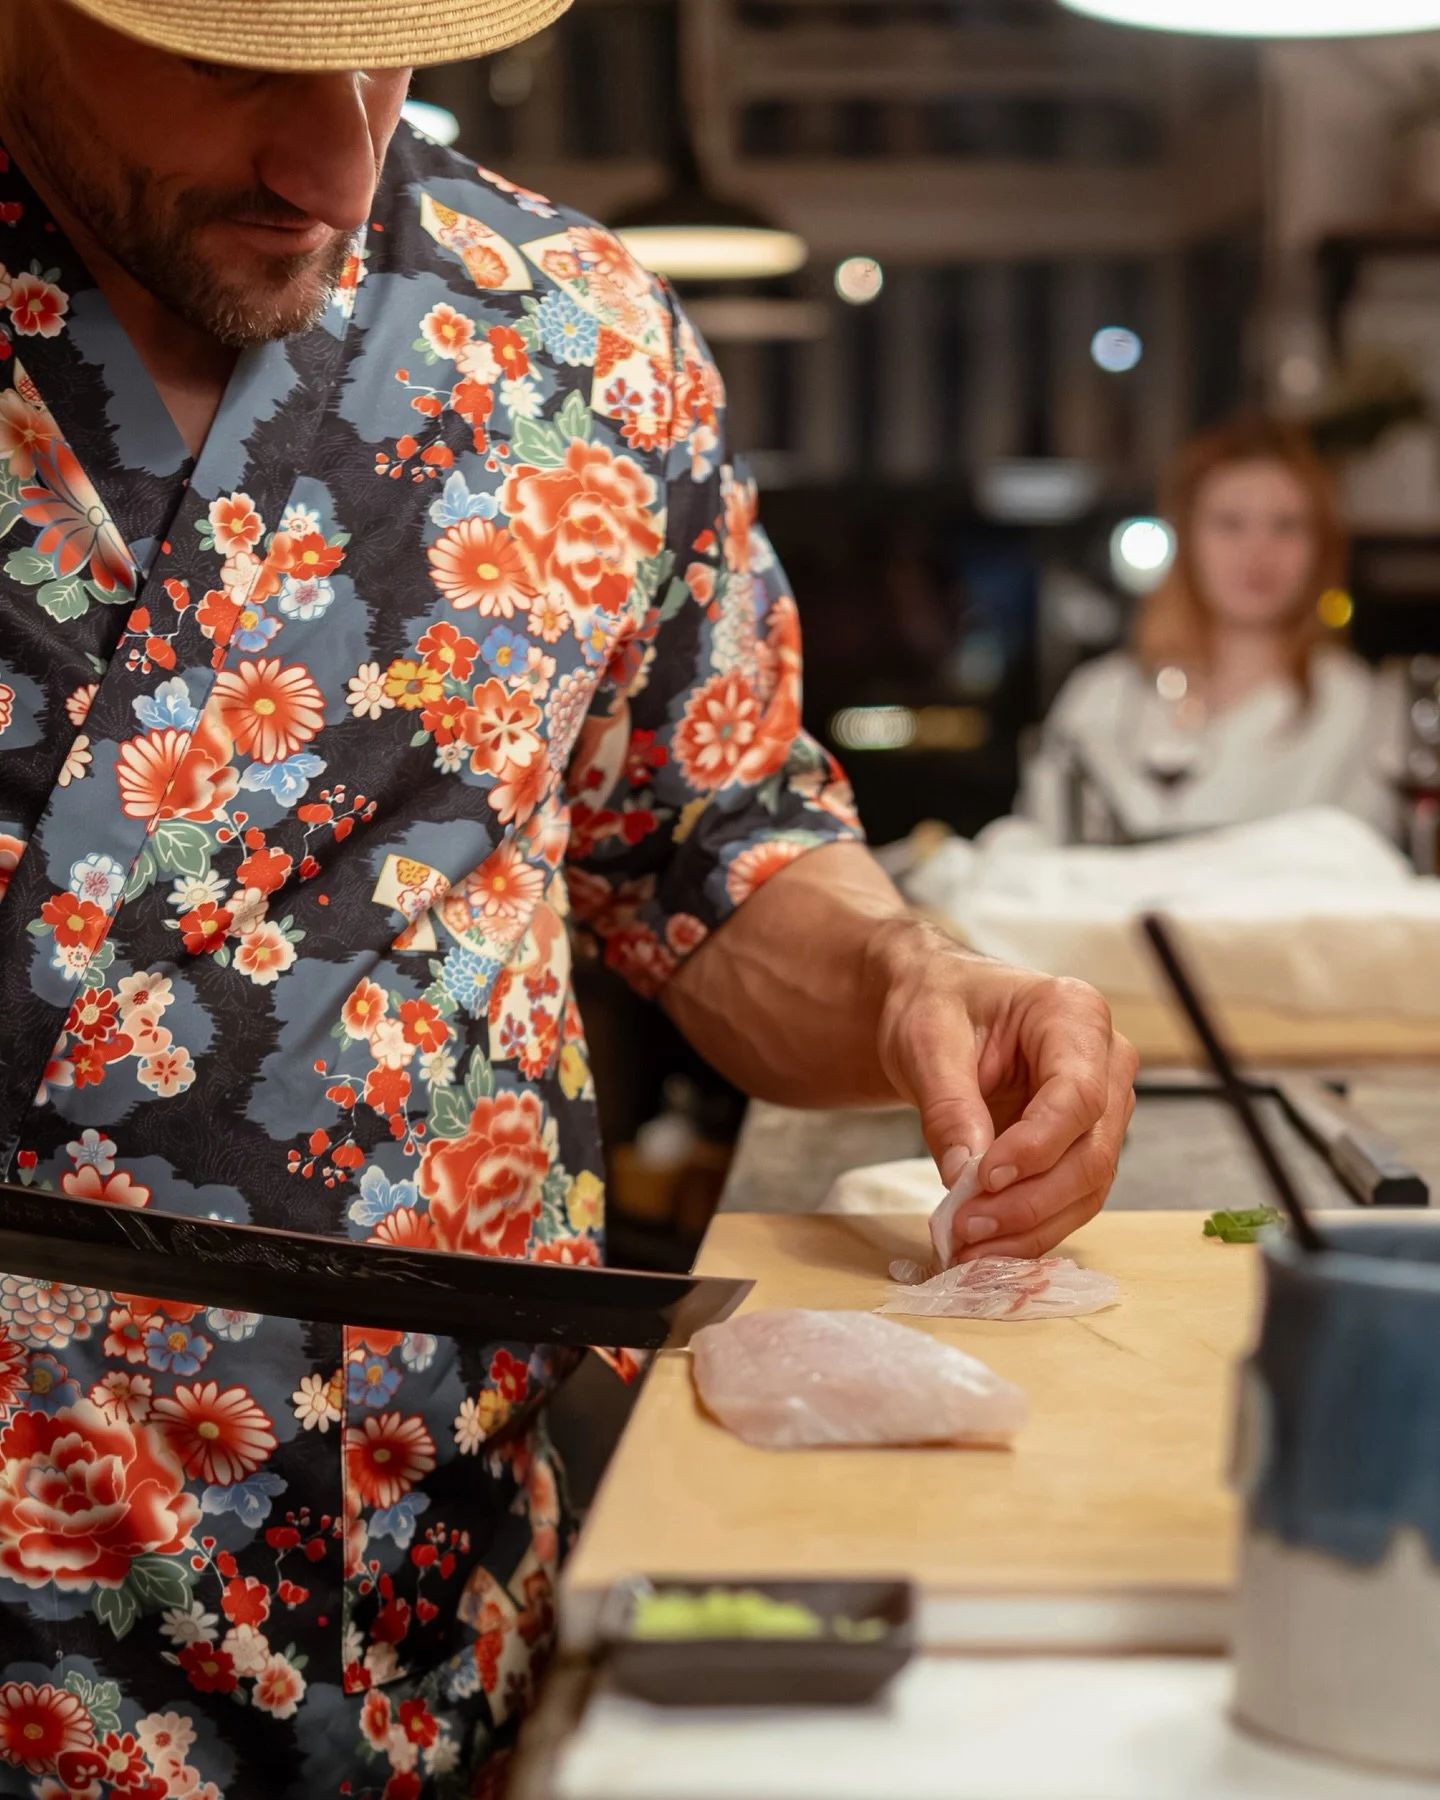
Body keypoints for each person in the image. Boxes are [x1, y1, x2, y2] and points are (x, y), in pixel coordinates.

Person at [0, 2, 1136, 1792]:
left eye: (384, 63)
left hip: (424, 1590)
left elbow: (707, 851)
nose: (334, 165)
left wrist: (915, 982)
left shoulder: (572, 339)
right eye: (235, 61)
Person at [1021, 417, 1404, 844]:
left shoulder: (1359, 705)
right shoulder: (1103, 696)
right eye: (1230, 523)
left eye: (1286, 526)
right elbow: (1041, 845)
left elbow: (1367, 866)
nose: (1258, 551)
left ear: (1322, 548)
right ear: (1187, 537)